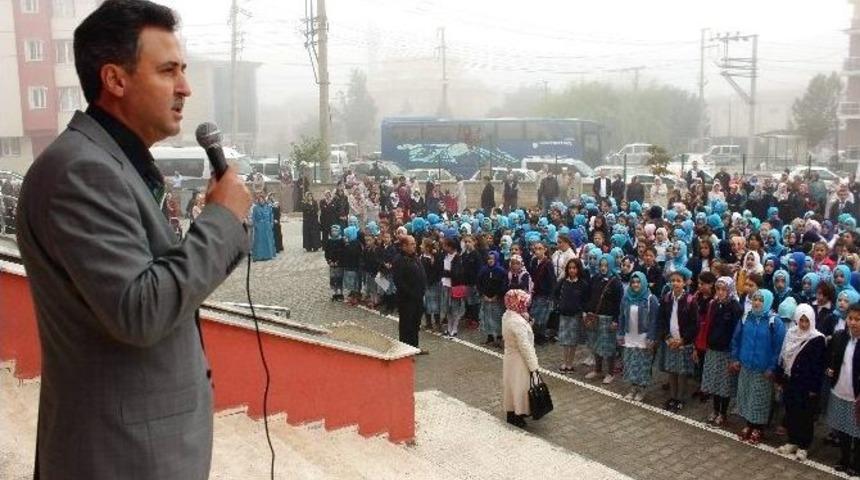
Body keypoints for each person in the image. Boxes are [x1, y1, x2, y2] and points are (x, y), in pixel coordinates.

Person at [14, 2, 252, 478]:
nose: (185, 87)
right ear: (115, 80)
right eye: (168, 71)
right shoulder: (82, 172)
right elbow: (140, 310)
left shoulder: (113, 164)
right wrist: (221, 220)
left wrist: (222, 225)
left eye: (183, 70)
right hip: (120, 456)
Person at [731, 289, 786, 445]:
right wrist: (735, 358)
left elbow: (778, 348)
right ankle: (748, 425)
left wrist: (772, 367)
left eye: (760, 300)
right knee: (747, 396)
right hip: (746, 365)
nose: (756, 303)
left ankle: (758, 428)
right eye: (754, 299)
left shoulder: (774, 322)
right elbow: (737, 339)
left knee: (760, 399)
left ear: (767, 302)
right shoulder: (746, 317)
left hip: (763, 370)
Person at [775, 303, 826, 462]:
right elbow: (783, 357)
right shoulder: (791, 333)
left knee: (805, 415)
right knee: (791, 411)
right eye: (801, 320)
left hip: (806, 385)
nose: (803, 324)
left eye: (806, 321)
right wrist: (780, 378)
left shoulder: (817, 338)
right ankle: (793, 441)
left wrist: (814, 388)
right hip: (791, 380)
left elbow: (818, 366)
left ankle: (804, 445)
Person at [700, 277, 742, 426]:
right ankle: (715, 410)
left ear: (730, 290)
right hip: (713, 349)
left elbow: (736, 332)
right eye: (718, 289)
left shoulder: (735, 307)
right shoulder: (714, 304)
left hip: (726, 351)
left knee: (725, 384)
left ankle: (723, 413)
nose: (720, 292)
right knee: (714, 381)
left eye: (724, 289)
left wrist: (734, 353)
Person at [826, 303, 860, 474]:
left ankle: (856, 463)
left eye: (858, 319)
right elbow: (832, 358)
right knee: (843, 429)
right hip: (840, 389)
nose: (853, 323)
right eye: (850, 318)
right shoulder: (840, 336)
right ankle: (844, 459)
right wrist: (830, 368)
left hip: (857, 396)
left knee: (858, 432)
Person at [658, 270, 699, 412]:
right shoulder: (666, 298)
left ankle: (680, 398)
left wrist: (683, 340)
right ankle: (672, 396)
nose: (675, 283)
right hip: (670, 341)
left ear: (685, 283)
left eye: (678, 280)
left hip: (683, 342)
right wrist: (667, 337)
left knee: (682, 372)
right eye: (673, 280)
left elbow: (695, 324)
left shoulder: (690, 300)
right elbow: (661, 320)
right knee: (672, 370)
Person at [617, 271, 660, 402]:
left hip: (643, 337)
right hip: (630, 336)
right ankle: (633, 388)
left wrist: (651, 337)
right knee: (631, 363)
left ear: (643, 283)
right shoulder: (626, 297)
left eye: (638, 282)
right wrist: (620, 333)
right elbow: (622, 317)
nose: (635, 284)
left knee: (643, 364)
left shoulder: (650, 299)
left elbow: (654, 320)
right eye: (633, 282)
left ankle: (642, 389)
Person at [502, 289, 540, 428]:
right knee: (520, 388)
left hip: (511, 358)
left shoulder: (507, 315)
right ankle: (518, 415)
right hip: (519, 360)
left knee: (511, 387)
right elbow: (525, 346)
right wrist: (534, 366)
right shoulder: (517, 321)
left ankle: (511, 413)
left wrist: (527, 324)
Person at [585, 254, 623, 384]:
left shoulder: (615, 282)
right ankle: (598, 369)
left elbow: (619, 303)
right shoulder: (595, 278)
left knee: (608, 346)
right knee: (596, 344)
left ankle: (610, 372)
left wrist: (616, 320)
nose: (603, 268)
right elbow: (590, 296)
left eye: (606, 265)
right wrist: (587, 311)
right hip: (596, 316)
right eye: (601, 265)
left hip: (608, 317)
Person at [392, 235, 428, 353]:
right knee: (406, 324)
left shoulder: (414, 257)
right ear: (404, 246)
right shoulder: (399, 260)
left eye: (414, 244)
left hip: (418, 298)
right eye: (412, 244)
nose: (415, 246)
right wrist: (411, 293)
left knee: (415, 324)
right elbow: (399, 281)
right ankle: (404, 349)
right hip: (407, 299)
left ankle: (414, 347)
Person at [555, 258, 590, 373]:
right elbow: (555, 293)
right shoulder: (563, 282)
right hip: (564, 314)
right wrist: (558, 305)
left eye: (574, 268)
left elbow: (585, 300)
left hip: (575, 315)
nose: (572, 270)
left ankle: (570, 362)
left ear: (578, 269)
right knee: (565, 339)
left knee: (573, 340)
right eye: (570, 268)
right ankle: (565, 361)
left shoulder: (583, 284)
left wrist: (583, 311)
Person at [477, 251, 508, 346]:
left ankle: (499, 336)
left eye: (492, 259)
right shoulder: (483, 270)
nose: (490, 261)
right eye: (489, 259)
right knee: (487, 317)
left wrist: (497, 295)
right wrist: (483, 295)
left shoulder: (501, 271)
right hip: (486, 297)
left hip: (497, 298)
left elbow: (503, 284)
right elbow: (479, 283)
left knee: (498, 317)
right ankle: (489, 336)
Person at [251, 193, 276, 261]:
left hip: (267, 226)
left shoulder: (268, 207)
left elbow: (271, 216)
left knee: (268, 240)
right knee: (259, 242)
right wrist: (256, 225)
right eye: (260, 200)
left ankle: (268, 255)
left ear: (264, 200)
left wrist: (271, 223)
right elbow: (253, 218)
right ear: (258, 201)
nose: (261, 201)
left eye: (262, 200)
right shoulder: (255, 208)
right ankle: (259, 256)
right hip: (259, 227)